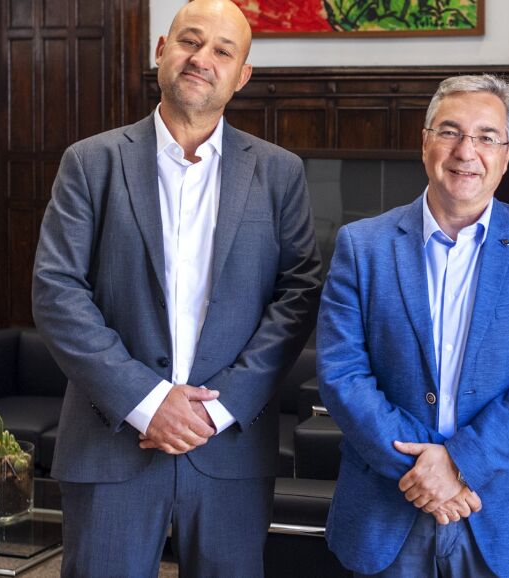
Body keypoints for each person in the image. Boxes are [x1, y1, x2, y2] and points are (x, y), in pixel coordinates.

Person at [31, 0, 322, 575]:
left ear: (242, 76)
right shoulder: (90, 162)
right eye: (190, 41)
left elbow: (299, 294)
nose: (201, 58)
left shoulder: (279, 172)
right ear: (161, 51)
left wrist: (219, 410)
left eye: (222, 50)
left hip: (229, 447)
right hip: (110, 440)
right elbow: (56, 291)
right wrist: (146, 402)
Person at [316, 74, 509, 577]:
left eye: (486, 137)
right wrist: (425, 473)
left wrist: (459, 464)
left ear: (506, 154)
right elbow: (342, 373)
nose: (466, 151)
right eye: (450, 132)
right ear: (425, 143)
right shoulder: (362, 246)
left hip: (501, 505)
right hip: (388, 503)